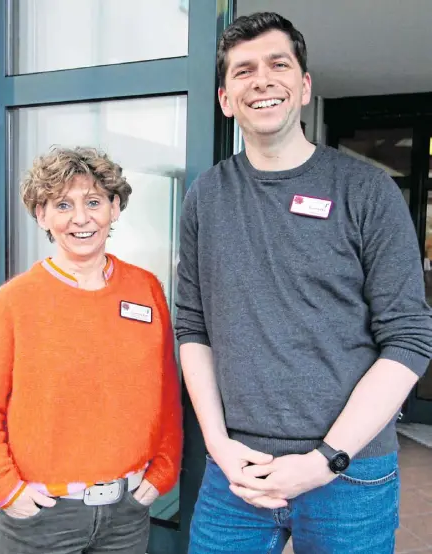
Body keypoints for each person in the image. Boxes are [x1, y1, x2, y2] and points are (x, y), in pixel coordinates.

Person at [175, 12, 432, 554]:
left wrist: (326, 460)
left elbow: (408, 337)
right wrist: (218, 447)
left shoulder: (367, 191)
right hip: (236, 474)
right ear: (225, 98)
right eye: (243, 71)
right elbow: (192, 326)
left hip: (349, 473)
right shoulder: (206, 196)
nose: (262, 79)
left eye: (278, 64)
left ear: (304, 86)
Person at [0, 146, 182, 554]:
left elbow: (165, 390)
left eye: (93, 201)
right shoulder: (15, 302)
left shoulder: (146, 289)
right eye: (63, 204)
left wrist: (163, 470)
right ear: (42, 216)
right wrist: (3, 487)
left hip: (126, 515)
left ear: (114, 208)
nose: (81, 218)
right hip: (42, 517)